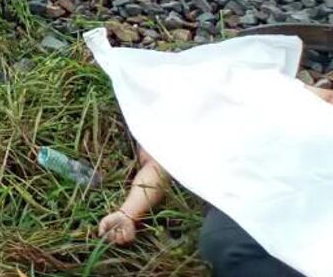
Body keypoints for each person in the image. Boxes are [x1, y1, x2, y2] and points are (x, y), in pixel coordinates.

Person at [98, 87, 333, 275]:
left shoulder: (259, 85)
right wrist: (127, 213)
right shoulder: (165, 117)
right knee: (225, 244)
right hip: (266, 187)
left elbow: (321, 99)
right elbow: (157, 168)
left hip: (307, 156)